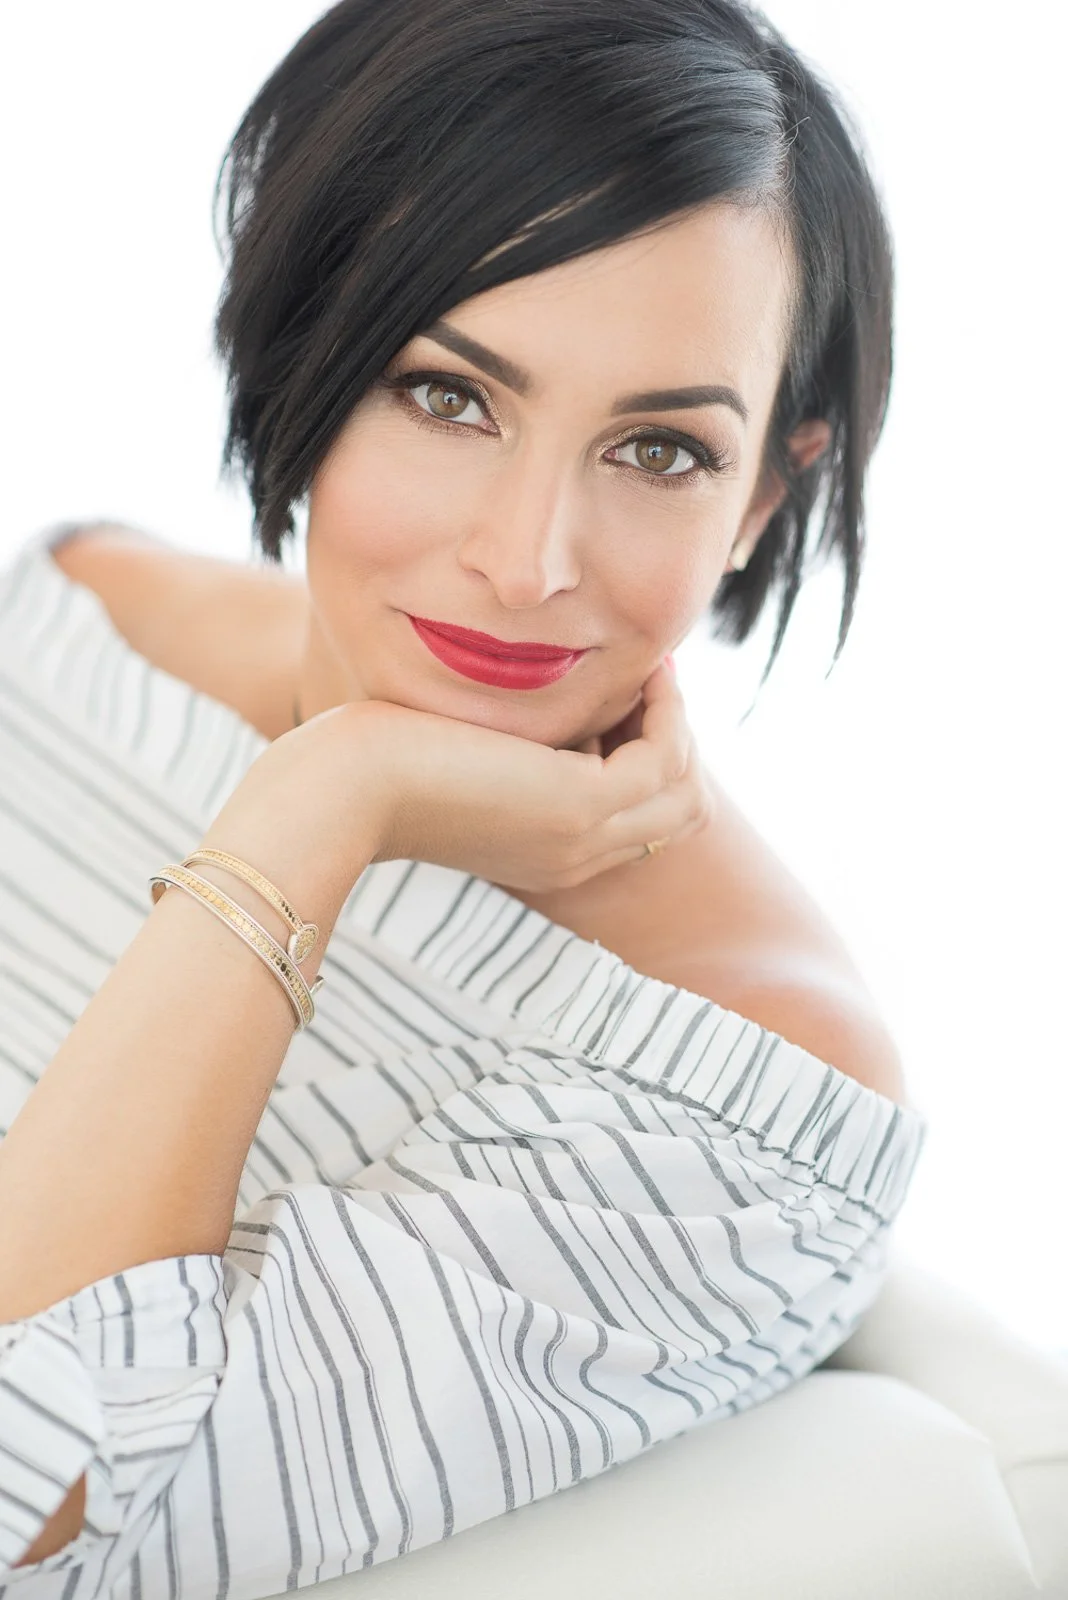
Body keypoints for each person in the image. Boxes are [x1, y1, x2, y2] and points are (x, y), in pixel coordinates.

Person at [0, 0, 926, 1592]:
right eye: (449, 395)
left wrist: (322, 804)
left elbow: (34, 1501)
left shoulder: (744, 1113)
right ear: (300, 342)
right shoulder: (69, 625)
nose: (524, 561)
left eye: (659, 451)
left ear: (764, 500)